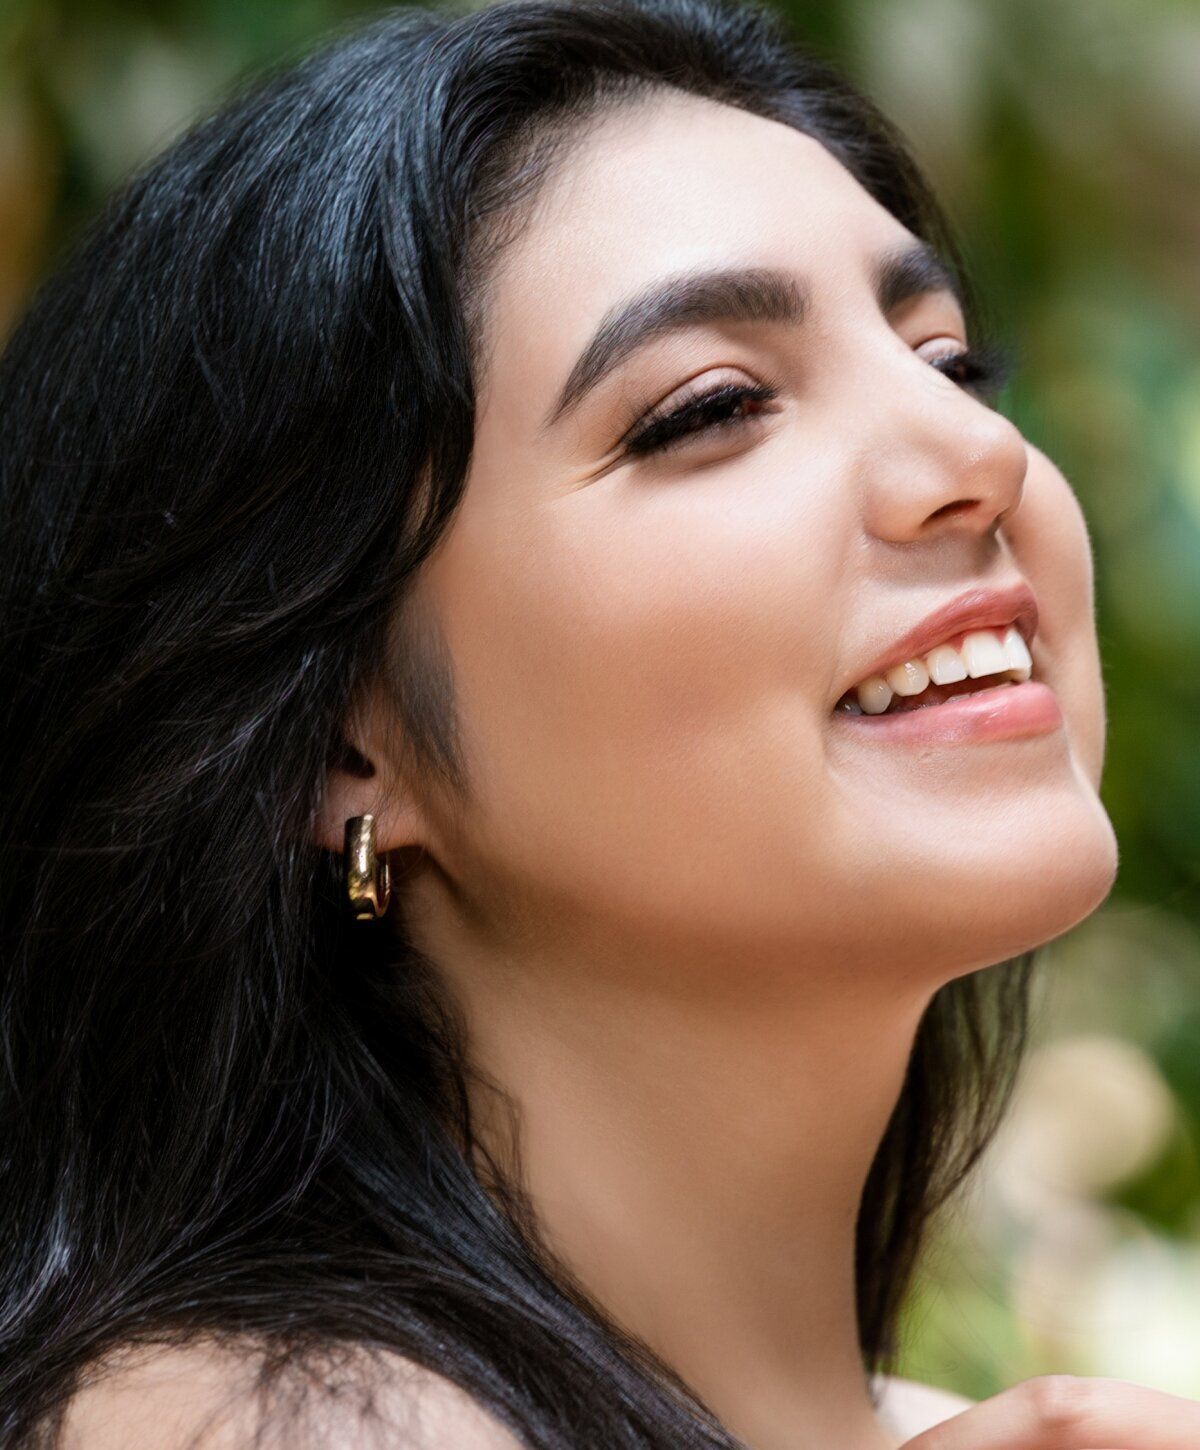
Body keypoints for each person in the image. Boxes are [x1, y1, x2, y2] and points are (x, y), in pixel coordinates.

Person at [11, 0, 1191, 1445]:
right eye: (711, 406)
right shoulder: (260, 1421)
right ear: (341, 741)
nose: (981, 452)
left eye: (948, 363)